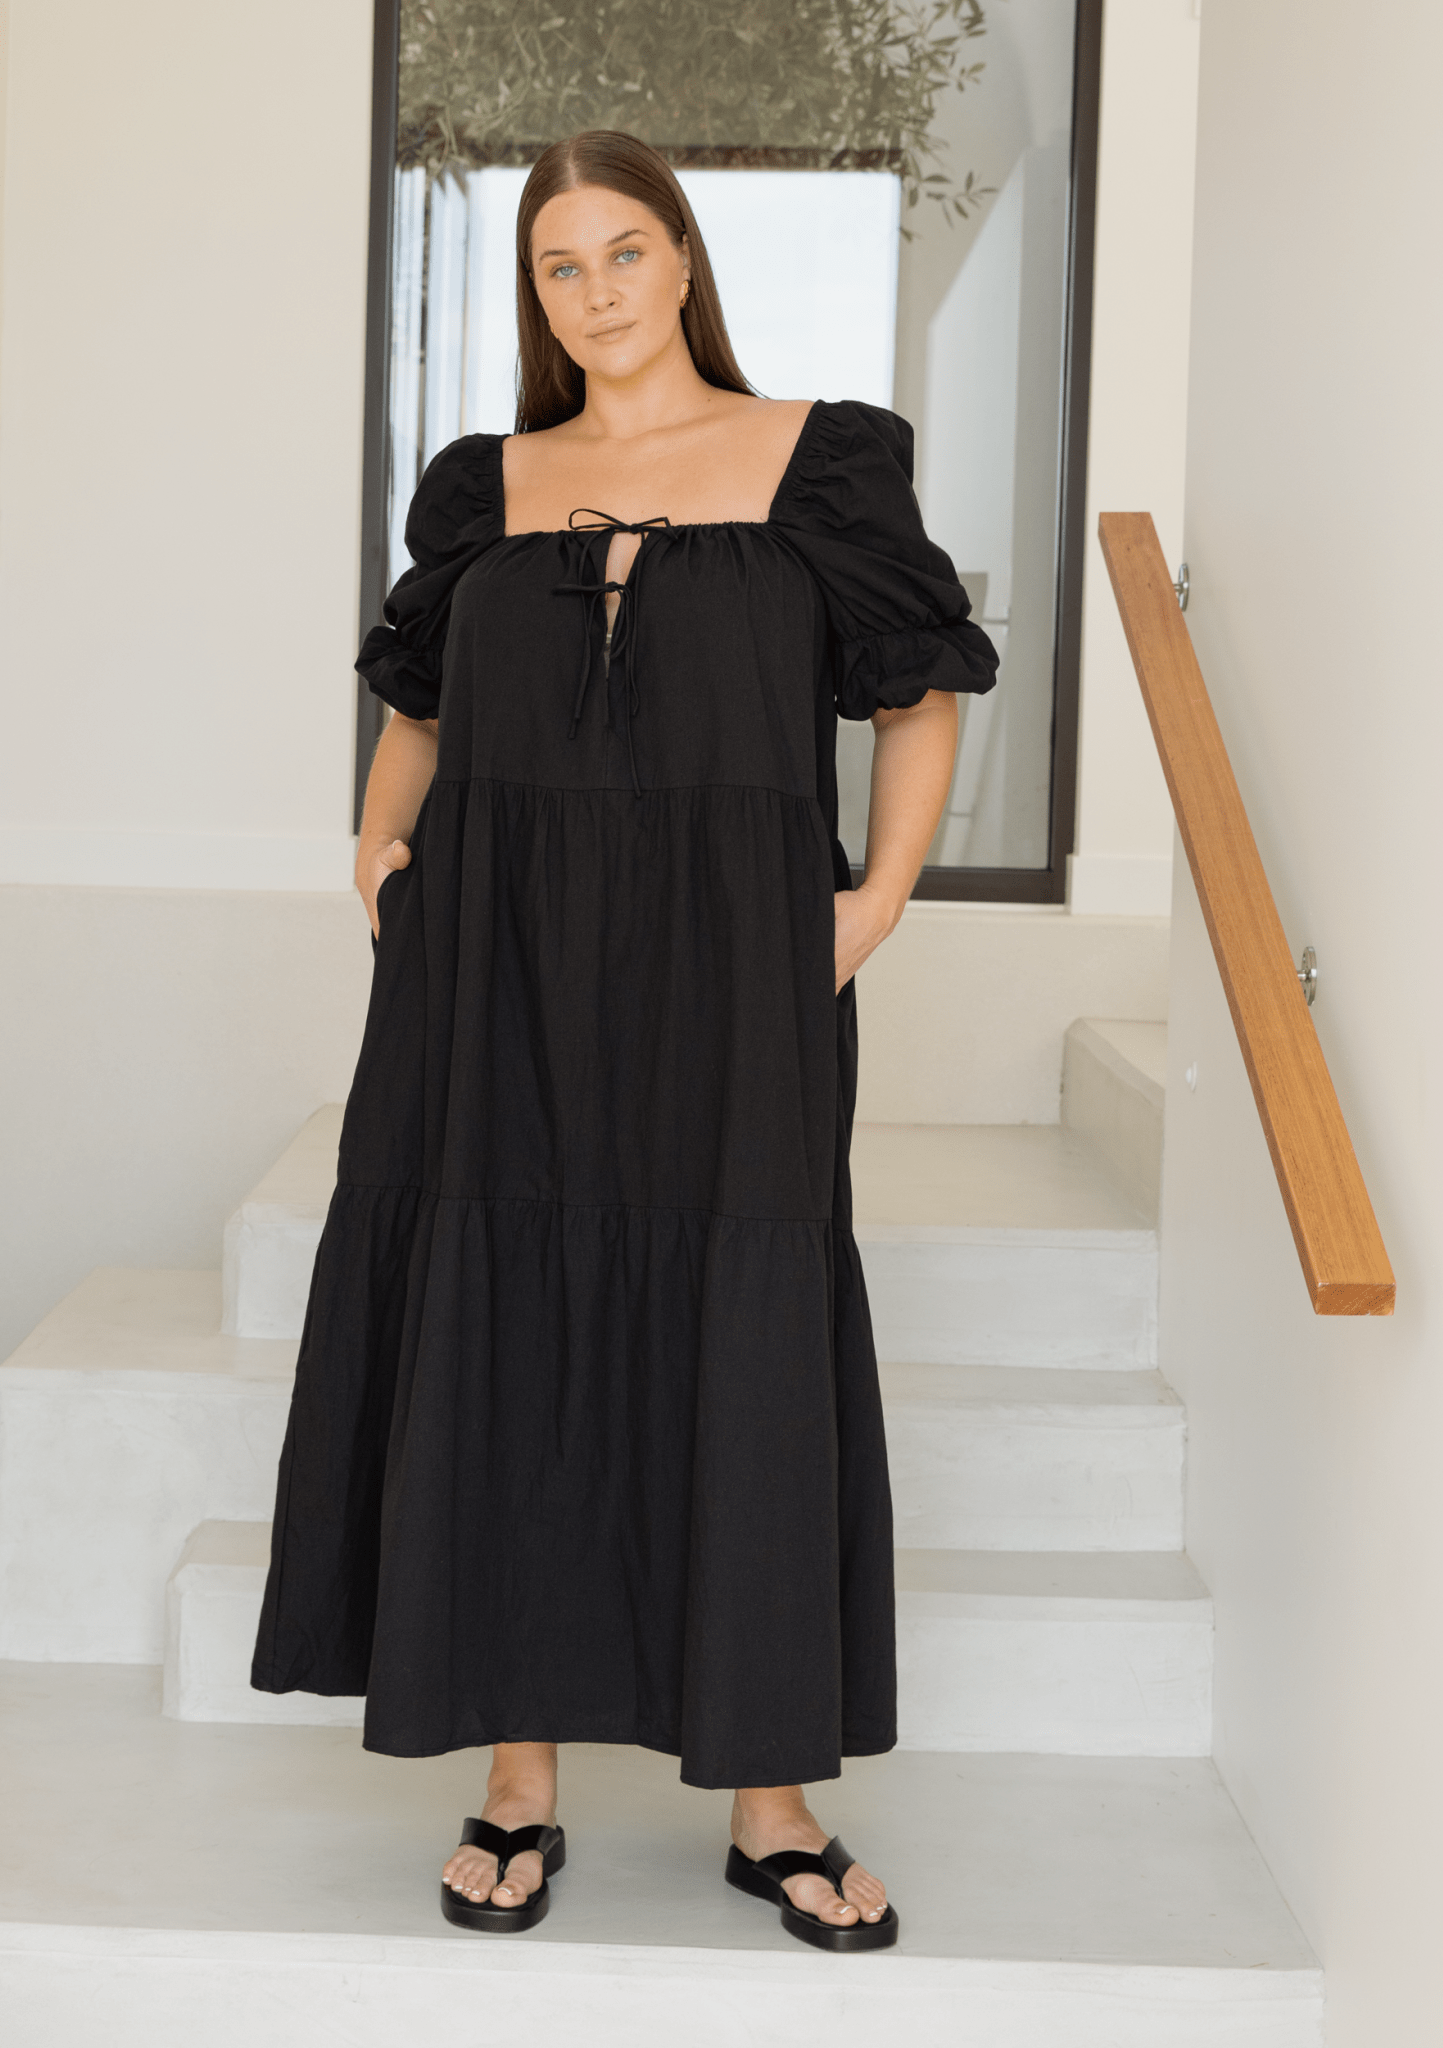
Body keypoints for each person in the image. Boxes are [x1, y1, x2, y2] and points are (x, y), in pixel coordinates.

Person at [252, 128, 998, 1951]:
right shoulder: (484, 484)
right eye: (558, 265)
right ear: (538, 294)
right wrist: (375, 847)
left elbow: (916, 696)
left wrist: (876, 900)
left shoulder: (821, 461)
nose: (595, 292)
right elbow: (419, 703)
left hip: (734, 963)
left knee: (744, 1316)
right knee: (499, 1309)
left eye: (623, 251)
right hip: (491, 960)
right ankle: (516, 1779)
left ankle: (771, 1800)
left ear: (682, 258)